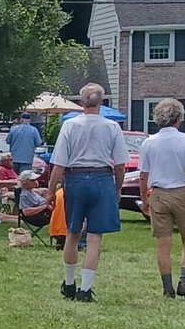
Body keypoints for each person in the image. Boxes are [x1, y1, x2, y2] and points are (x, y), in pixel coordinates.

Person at [45, 82, 128, 301]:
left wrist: (51, 190)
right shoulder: (112, 127)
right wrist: (117, 188)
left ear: (82, 102)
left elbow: (59, 164)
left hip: (75, 178)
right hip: (102, 179)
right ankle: (86, 289)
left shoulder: (70, 126)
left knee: (72, 233)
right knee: (94, 237)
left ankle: (69, 283)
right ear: (101, 102)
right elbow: (120, 165)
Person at [139, 98, 185, 298]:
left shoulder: (148, 142)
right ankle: (184, 280)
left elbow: (143, 175)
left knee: (163, 242)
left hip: (159, 193)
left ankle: (167, 287)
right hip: (182, 192)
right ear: (179, 118)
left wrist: (145, 199)